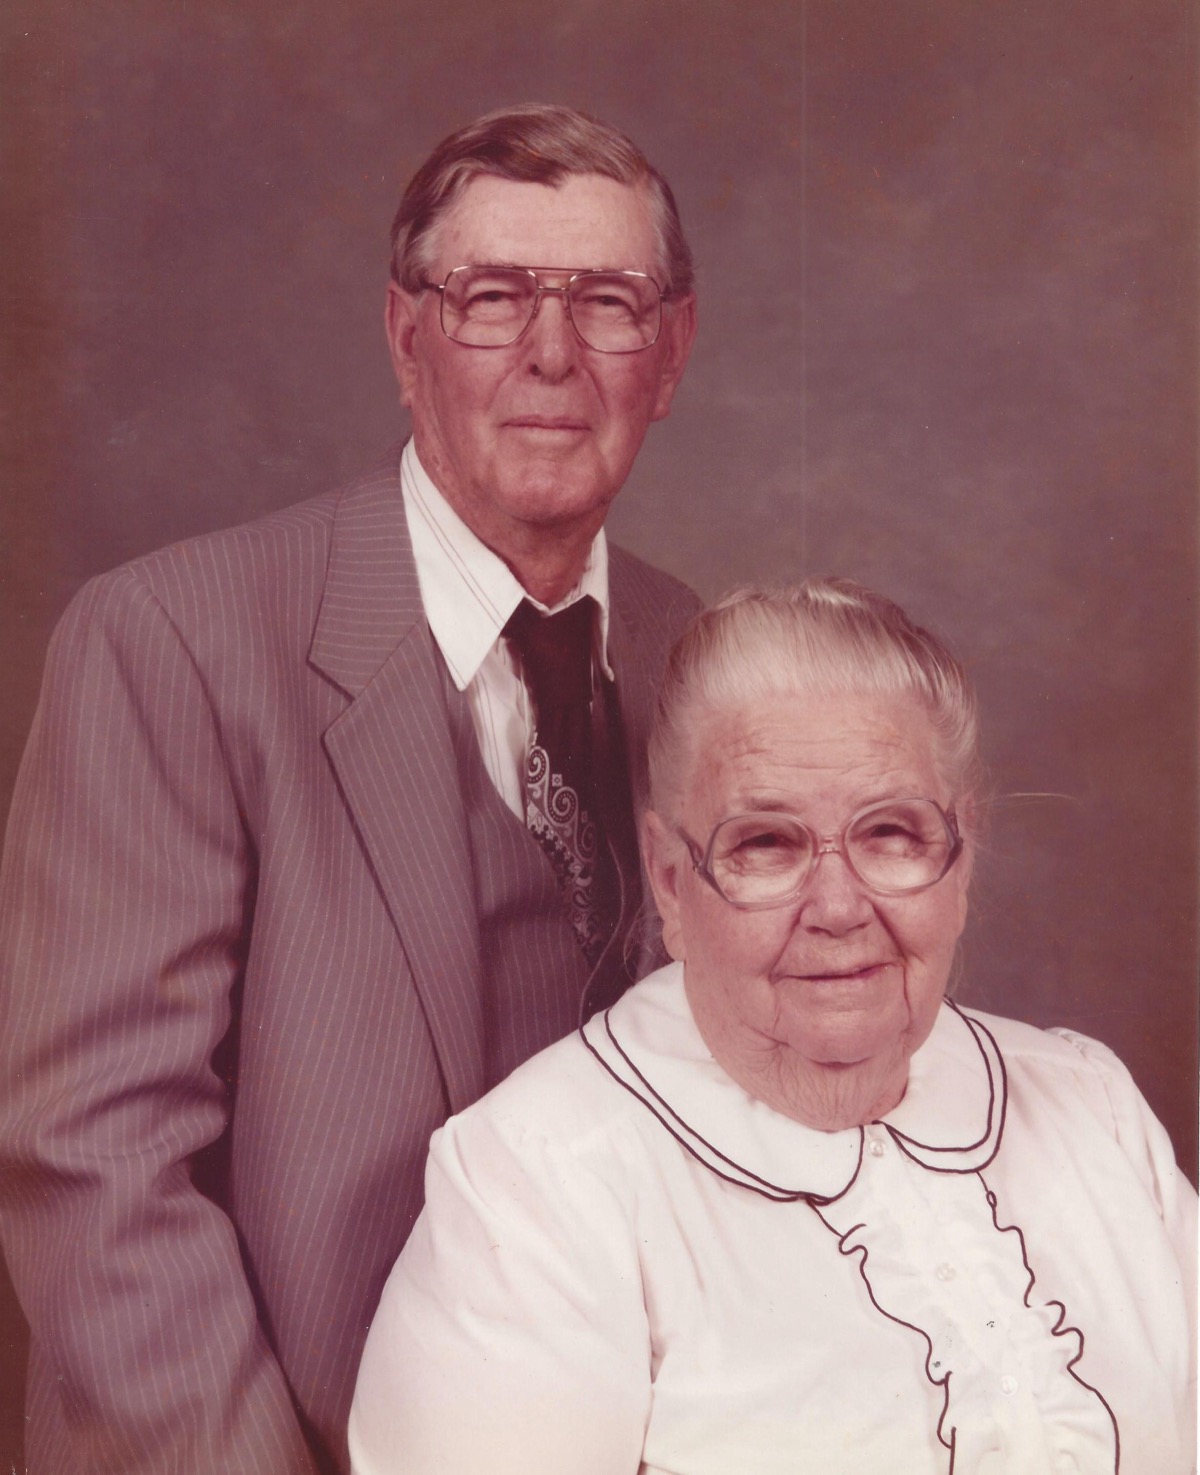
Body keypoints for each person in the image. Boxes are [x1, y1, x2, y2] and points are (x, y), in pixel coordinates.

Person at [0, 104, 699, 1475]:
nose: (552, 351)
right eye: (492, 296)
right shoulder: (174, 639)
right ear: (405, 336)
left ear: (669, 351)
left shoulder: (702, 654)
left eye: (608, 301)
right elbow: (96, 1162)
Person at [349, 580, 1197, 1475]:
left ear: (962, 858)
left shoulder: (1090, 1106)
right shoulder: (533, 1187)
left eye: (891, 832)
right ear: (672, 882)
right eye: (765, 843)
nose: (838, 906)